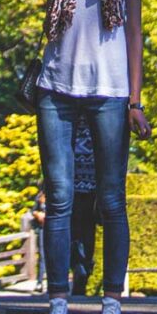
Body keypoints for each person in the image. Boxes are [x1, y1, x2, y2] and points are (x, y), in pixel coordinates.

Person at [36, 0, 151, 314]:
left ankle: (112, 307)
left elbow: (134, 33)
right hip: (57, 88)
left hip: (110, 90)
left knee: (112, 200)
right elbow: (54, 27)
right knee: (59, 199)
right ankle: (57, 307)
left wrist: (135, 101)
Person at [69, 114, 97, 295]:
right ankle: (84, 266)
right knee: (88, 226)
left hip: (70, 175)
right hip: (92, 176)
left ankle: (77, 264)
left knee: (70, 226)